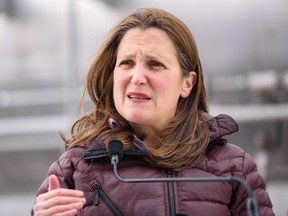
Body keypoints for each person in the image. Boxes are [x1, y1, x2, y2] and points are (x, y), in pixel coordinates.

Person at [31, 7, 274, 216]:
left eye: (155, 64)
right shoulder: (73, 168)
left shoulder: (234, 168)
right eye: (126, 63)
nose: (137, 78)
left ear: (187, 84)